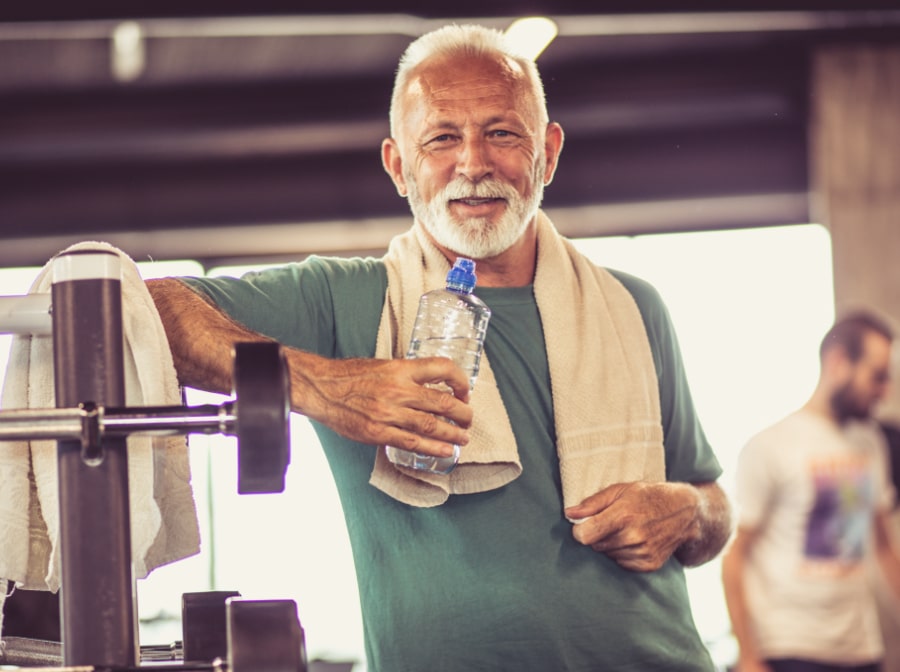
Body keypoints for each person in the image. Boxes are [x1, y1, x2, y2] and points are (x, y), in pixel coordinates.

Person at [147, 24, 732, 671]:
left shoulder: (633, 306)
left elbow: (712, 506)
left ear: (549, 151)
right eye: (442, 138)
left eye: (502, 132)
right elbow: (146, 310)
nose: (474, 163)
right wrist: (325, 387)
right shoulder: (346, 299)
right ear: (399, 165)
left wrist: (688, 509)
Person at [722, 310, 900, 672]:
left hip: (860, 648)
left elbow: (882, 547)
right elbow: (734, 556)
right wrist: (750, 656)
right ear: (838, 363)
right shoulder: (770, 445)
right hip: (790, 647)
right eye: (877, 377)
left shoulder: (871, 443)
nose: (885, 390)